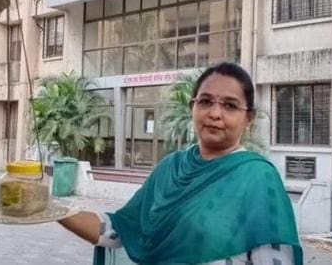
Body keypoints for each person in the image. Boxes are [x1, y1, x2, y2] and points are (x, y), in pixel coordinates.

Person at [58, 62, 303, 265]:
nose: (215, 114)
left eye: (229, 105)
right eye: (205, 101)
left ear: (248, 117)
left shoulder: (257, 178)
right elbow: (121, 230)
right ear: (192, 107)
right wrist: (49, 208)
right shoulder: (170, 168)